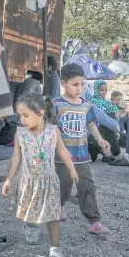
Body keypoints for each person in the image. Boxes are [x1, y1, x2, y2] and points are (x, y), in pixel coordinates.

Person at [2, 92, 77, 257]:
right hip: (28, 181)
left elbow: (63, 151)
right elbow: (16, 157)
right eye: (20, 115)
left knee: (53, 215)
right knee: (30, 207)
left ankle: (55, 248)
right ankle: (31, 225)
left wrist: (72, 169)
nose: (22, 120)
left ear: (41, 113)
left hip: (49, 181)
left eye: (26, 115)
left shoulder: (53, 131)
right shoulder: (20, 133)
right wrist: (9, 179)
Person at [53, 63, 111, 234]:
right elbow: (50, 129)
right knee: (63, 186)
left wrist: (100, 139)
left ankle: (94, 221)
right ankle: (59, 206)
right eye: (75, 84)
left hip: (82, 157)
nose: (80, 88)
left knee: (87, 187)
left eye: (82, 84)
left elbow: (91, 124)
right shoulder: (56, 104)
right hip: (61, 158)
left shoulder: (86, 105)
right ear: (63, 84)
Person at [87, 80, 129, 165]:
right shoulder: (93, 104)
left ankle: (107, 153)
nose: (104, 92)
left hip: (94, 139)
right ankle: (117, 156)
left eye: (106, 90)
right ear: (95, 90)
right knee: (109, 128)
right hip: (92, 138)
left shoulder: (105, 102)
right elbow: (110, 123)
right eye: (101, 90)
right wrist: (117, 130)